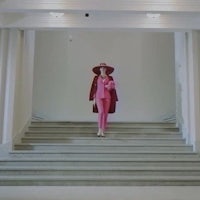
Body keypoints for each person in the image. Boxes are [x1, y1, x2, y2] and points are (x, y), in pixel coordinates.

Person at [89, 63, 118, 137]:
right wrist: (93, 98)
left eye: (104, 68)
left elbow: (113, 88)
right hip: (98, 96)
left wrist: (110, 86)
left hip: (107, 97)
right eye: (101, 68)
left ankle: (103, 130)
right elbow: (93, 88)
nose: (103, 69)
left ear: (106, 69)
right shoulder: (96, 78)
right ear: (99, 69)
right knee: (101, 112)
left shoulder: (110, 78)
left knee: (105, 113)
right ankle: (99, 129)